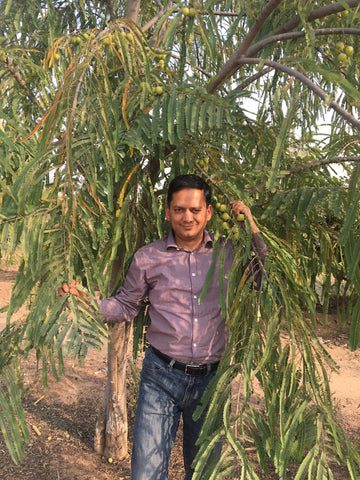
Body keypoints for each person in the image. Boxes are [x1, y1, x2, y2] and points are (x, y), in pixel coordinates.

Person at [99, 174, 267, 480]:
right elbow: (125, 306)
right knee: (146, 474)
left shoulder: (229, 254)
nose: (187, 217)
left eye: (194, 210)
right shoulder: (148, 258)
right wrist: (88, 305)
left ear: (208, 212)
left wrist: (250, 226)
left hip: (210, 382)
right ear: (167, 212)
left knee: (204, 472)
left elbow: (266, 277)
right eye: (179, 209)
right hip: (160, 377)